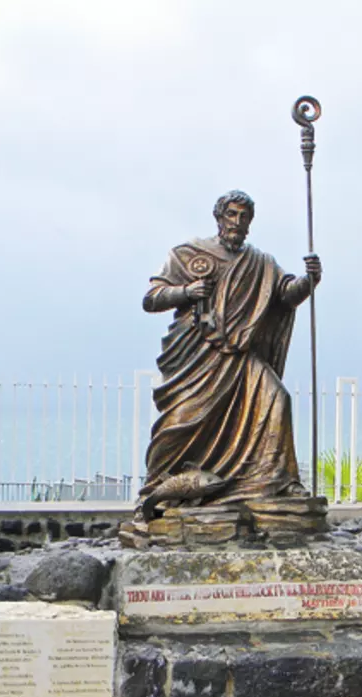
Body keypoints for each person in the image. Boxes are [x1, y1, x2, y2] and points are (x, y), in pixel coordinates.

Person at [138, 190, 322, 508]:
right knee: (181, 422)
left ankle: (279, 482)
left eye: (244, 217)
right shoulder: (188, 253)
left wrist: (308, 281)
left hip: (241, 355)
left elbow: (286, 295)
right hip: (196, 356)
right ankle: (161, 485)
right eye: (232, 215)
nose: (237, 222)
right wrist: (186, 291)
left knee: (277, 397)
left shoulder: (261, 263)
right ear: (219, 217)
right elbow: (152, 299)